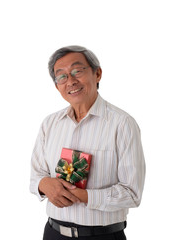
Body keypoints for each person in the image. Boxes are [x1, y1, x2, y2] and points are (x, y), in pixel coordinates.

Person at [29, 45, 146, 240]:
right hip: (53, 233)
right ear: (57, 85)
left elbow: (132, 193)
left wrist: (82, 196)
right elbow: (35, 177)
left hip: (102, 236)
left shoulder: (122, 124)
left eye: (77, 71)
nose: (71, 81)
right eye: (62, 76)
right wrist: (44, 184)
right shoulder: (49, 124)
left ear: (97, 74)